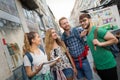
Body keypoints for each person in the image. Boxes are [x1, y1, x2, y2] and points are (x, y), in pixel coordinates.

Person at [79, 13, 118, 80]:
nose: (82, 23)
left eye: (84, 20)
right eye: (81, 22)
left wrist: (100, 44)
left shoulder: (98, 30)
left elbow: (115, 40)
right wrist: (94, 64)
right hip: (99, 66)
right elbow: (94, 51)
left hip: (108, 65)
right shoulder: (88, 34)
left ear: (90, 19)